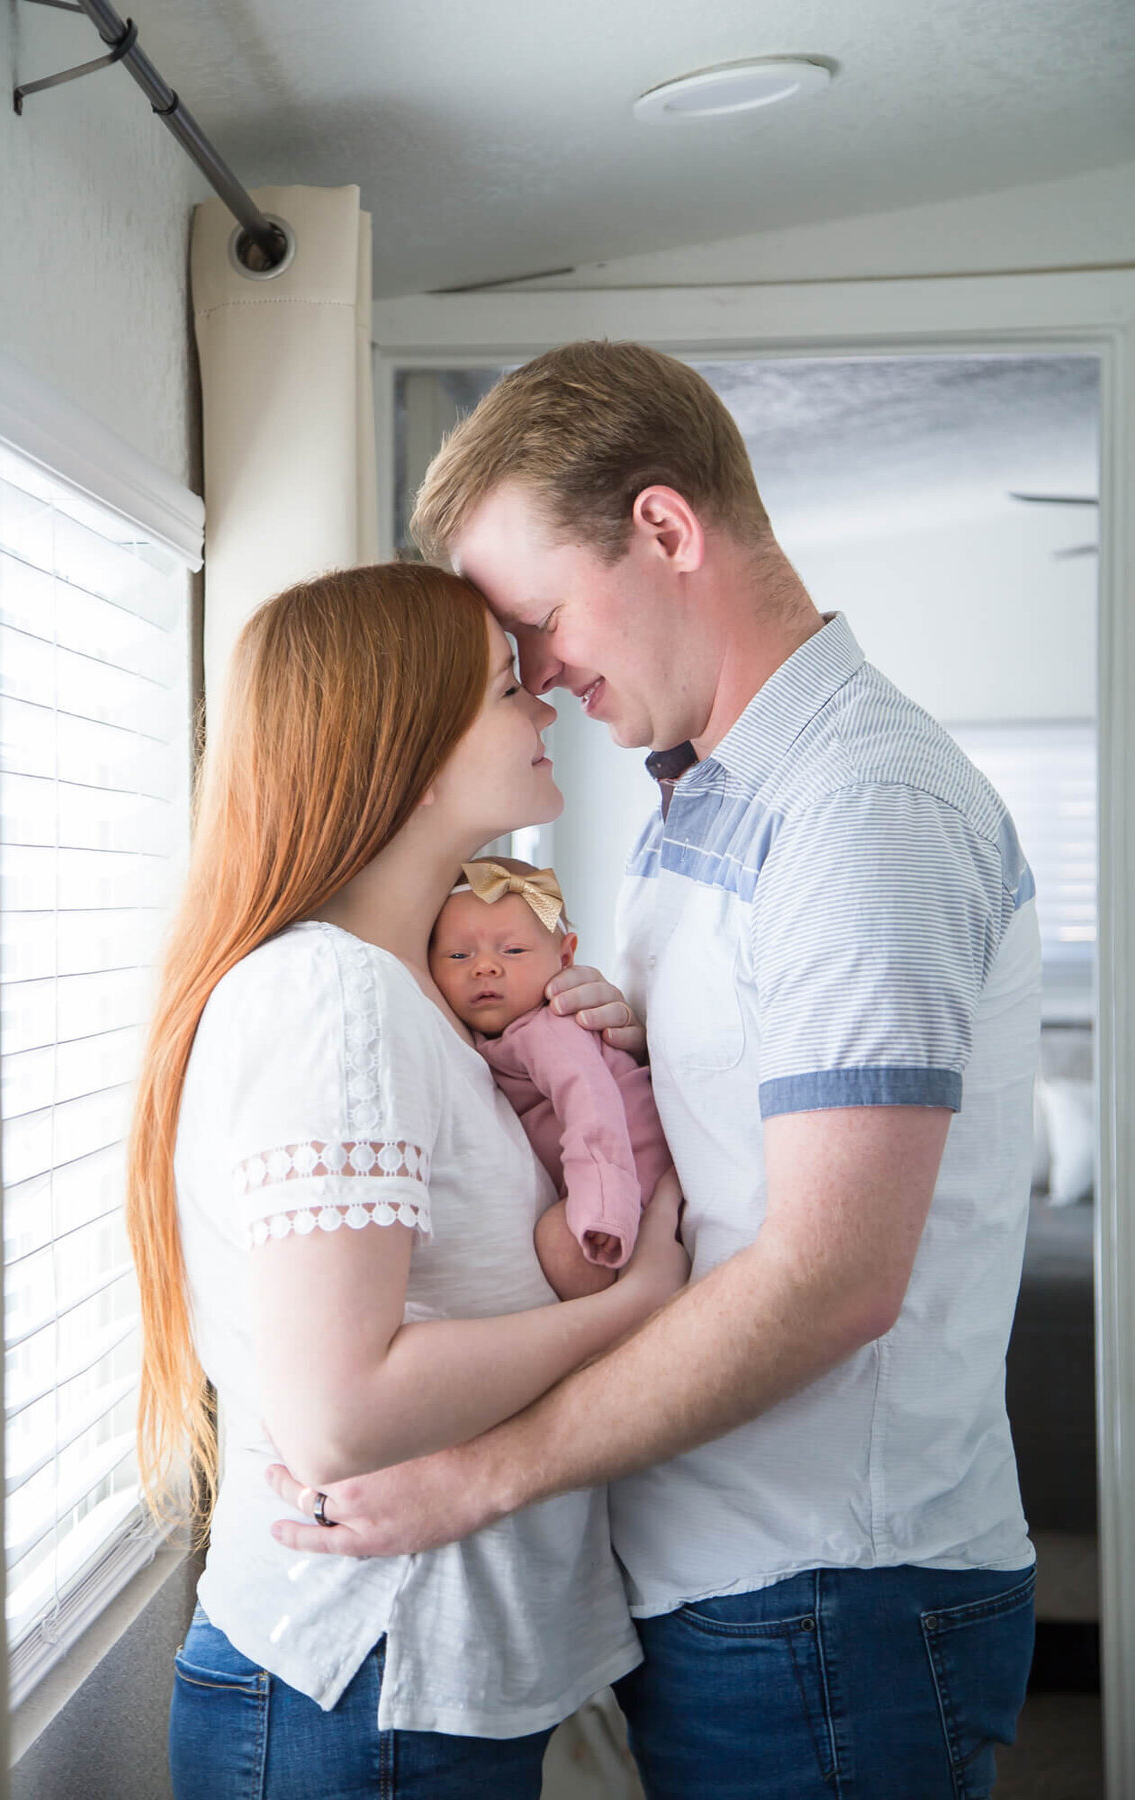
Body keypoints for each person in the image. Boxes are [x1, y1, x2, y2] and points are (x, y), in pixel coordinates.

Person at [267, 342, 1042, 1800]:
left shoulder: (856, 808)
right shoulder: (710, 809)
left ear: (667, 531)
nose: (541, 675)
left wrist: (479, 1475)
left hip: (827, 1589)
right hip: (739, 1579)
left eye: (542, 618)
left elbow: (829, 1277)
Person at [124, 561, 688, 1799]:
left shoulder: (408, 1002)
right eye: (504, 687)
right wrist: (627, 1314)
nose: (544, 702)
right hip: (366, 1689)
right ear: (409, 746)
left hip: (407, 1685)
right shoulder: (335, 997)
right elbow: (343, 1414)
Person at [430, 856, 673, 1297]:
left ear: (565, 957)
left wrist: (604, 1208)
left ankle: (615, 1339)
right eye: (459, 955)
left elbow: (592, 1106)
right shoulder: (496, 1035)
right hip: (618, 1179)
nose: (484, 967)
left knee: (560, 1245)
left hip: (629, 1178)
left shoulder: (549, 1028)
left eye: (513, 950)